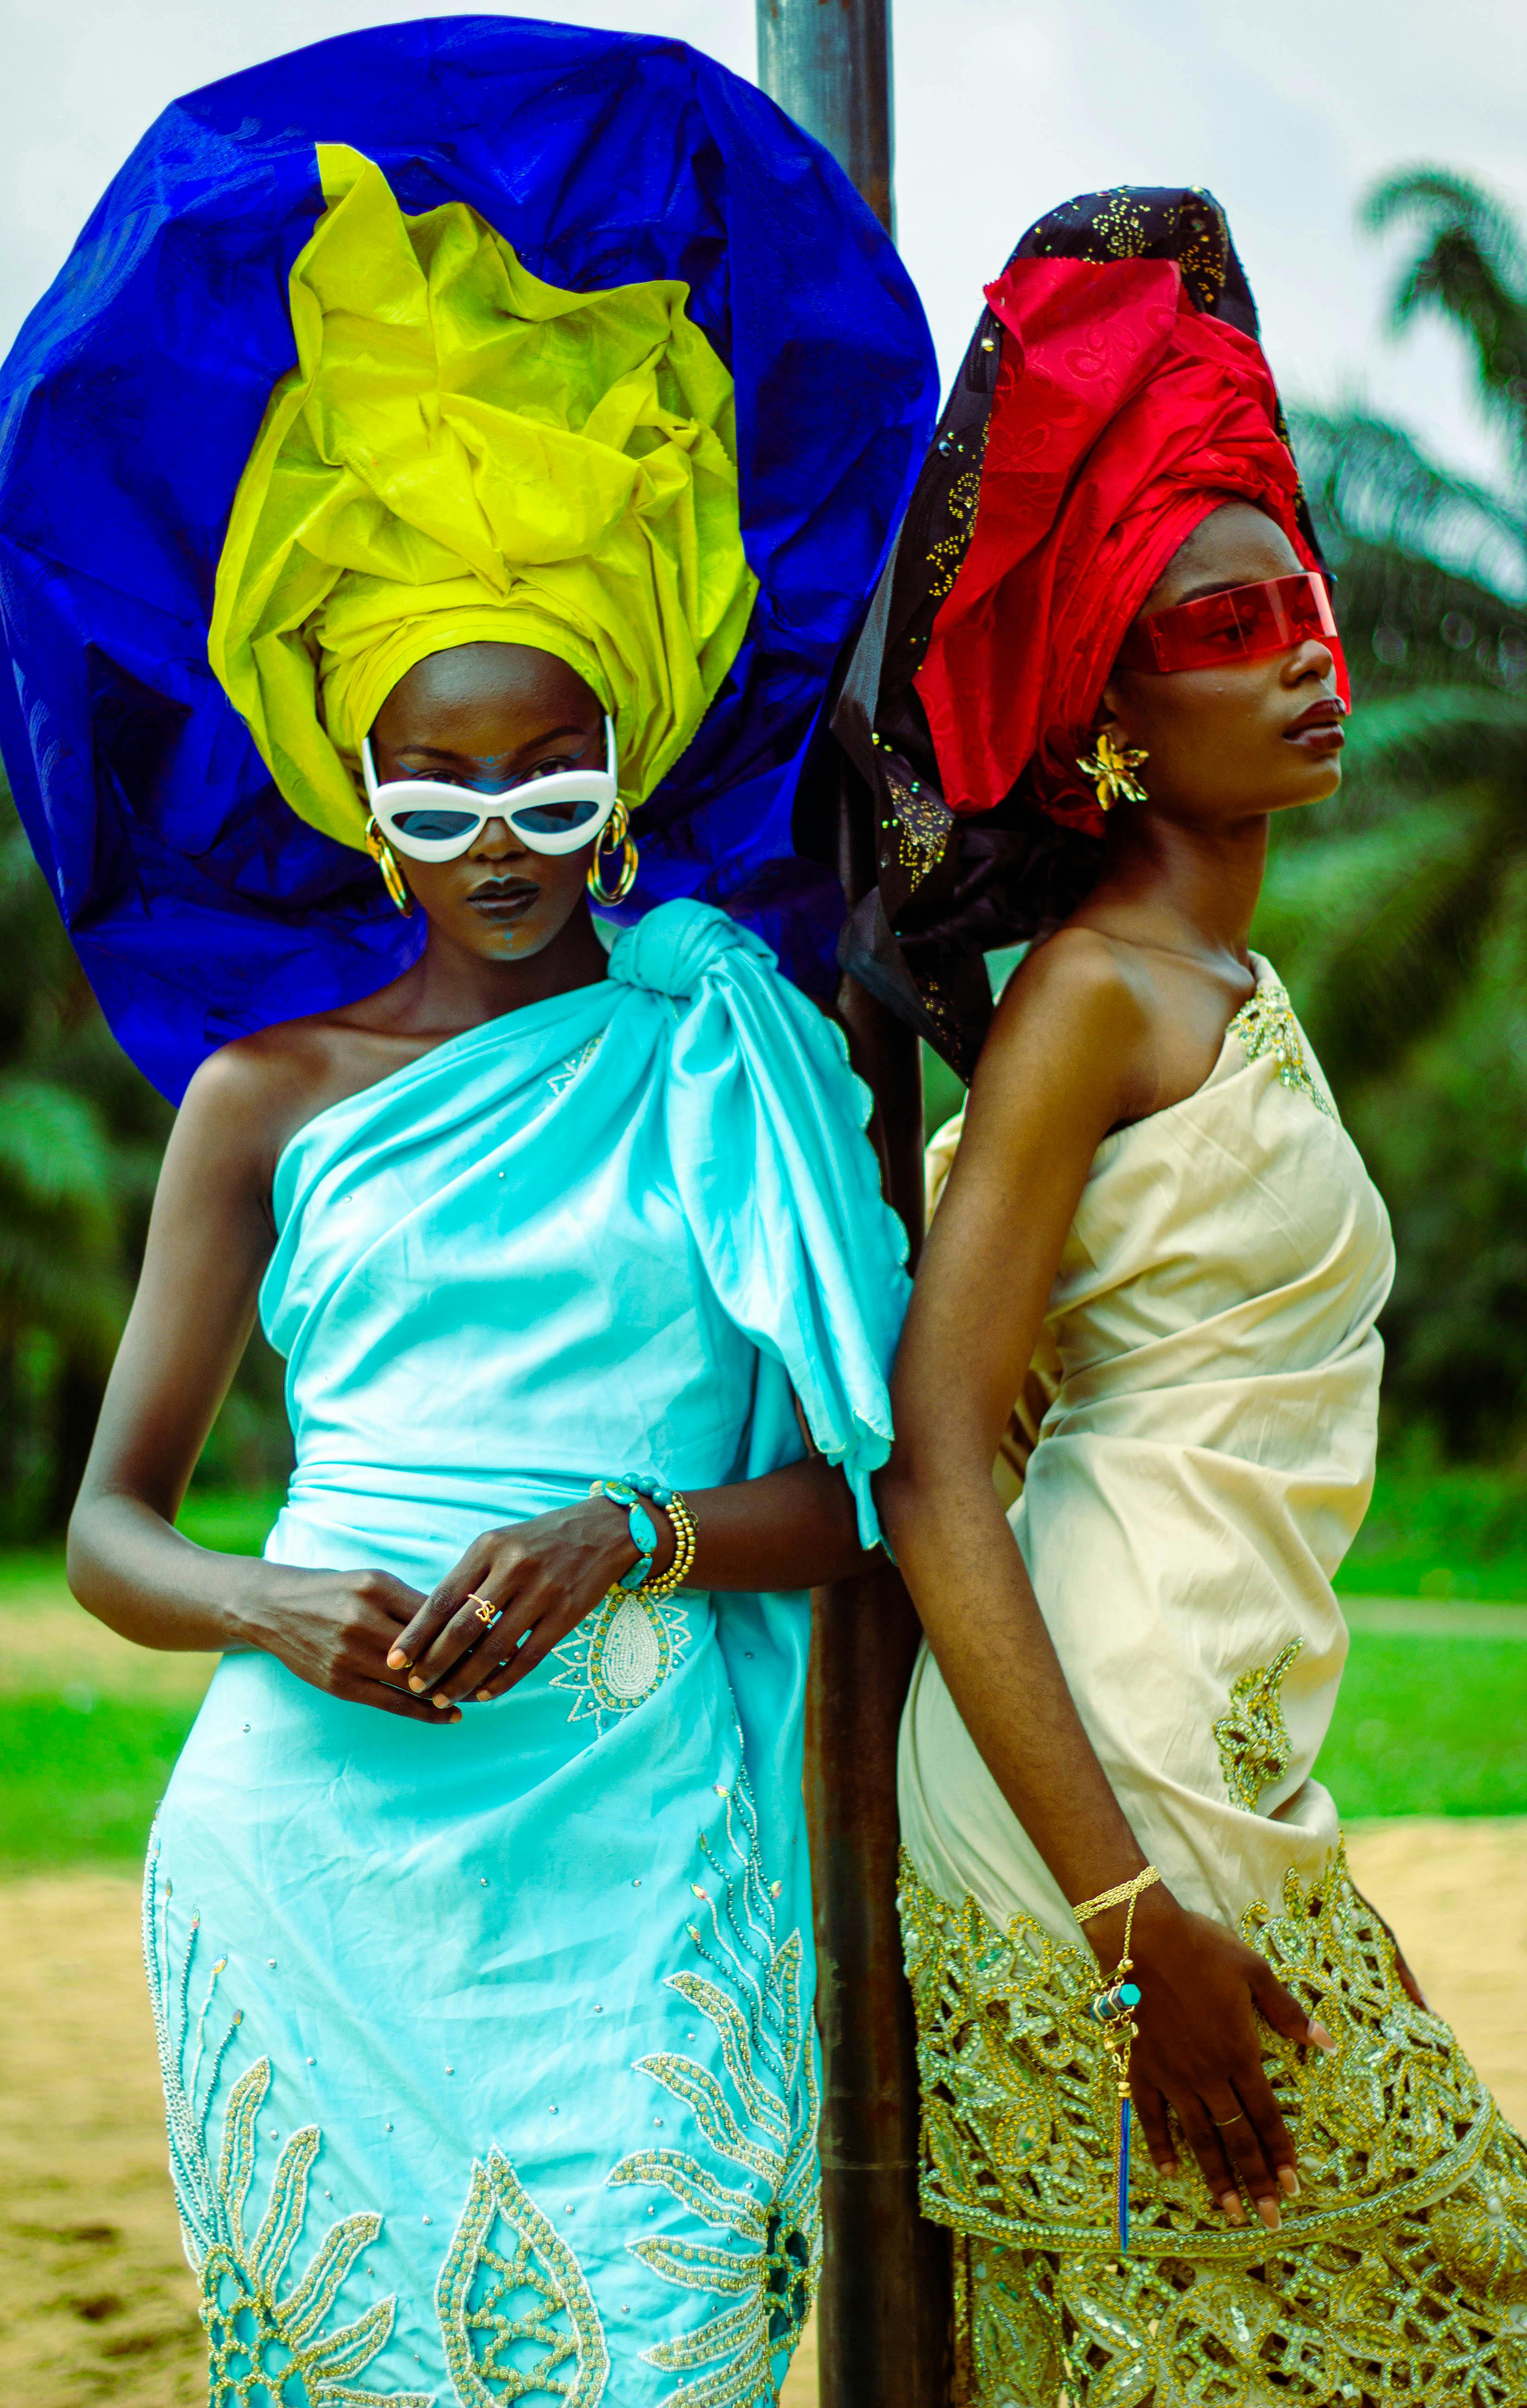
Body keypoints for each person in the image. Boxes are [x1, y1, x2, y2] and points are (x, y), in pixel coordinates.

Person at [0, 26, 938, 2403]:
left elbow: (875, 1491)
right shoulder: (261, 1101)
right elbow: (109, 1530)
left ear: (624, 777)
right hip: (314, 1862)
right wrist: (269, 1601)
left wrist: (635, 1535)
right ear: (354, 788)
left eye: (548, 771)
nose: (498, 834)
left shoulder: (731, 1049)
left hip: (644, 1867)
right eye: (439, 781)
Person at [836, 191, 1527, 2405]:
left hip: (1208, 1758)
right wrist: (1130, 1926)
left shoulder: (1218, 982)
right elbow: (938, 1459)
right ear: (1116, 703)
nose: (1306, 651)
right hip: (1096, 1807)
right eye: (1228, 623)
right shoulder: (1086, 1005)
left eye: (1302, 606)